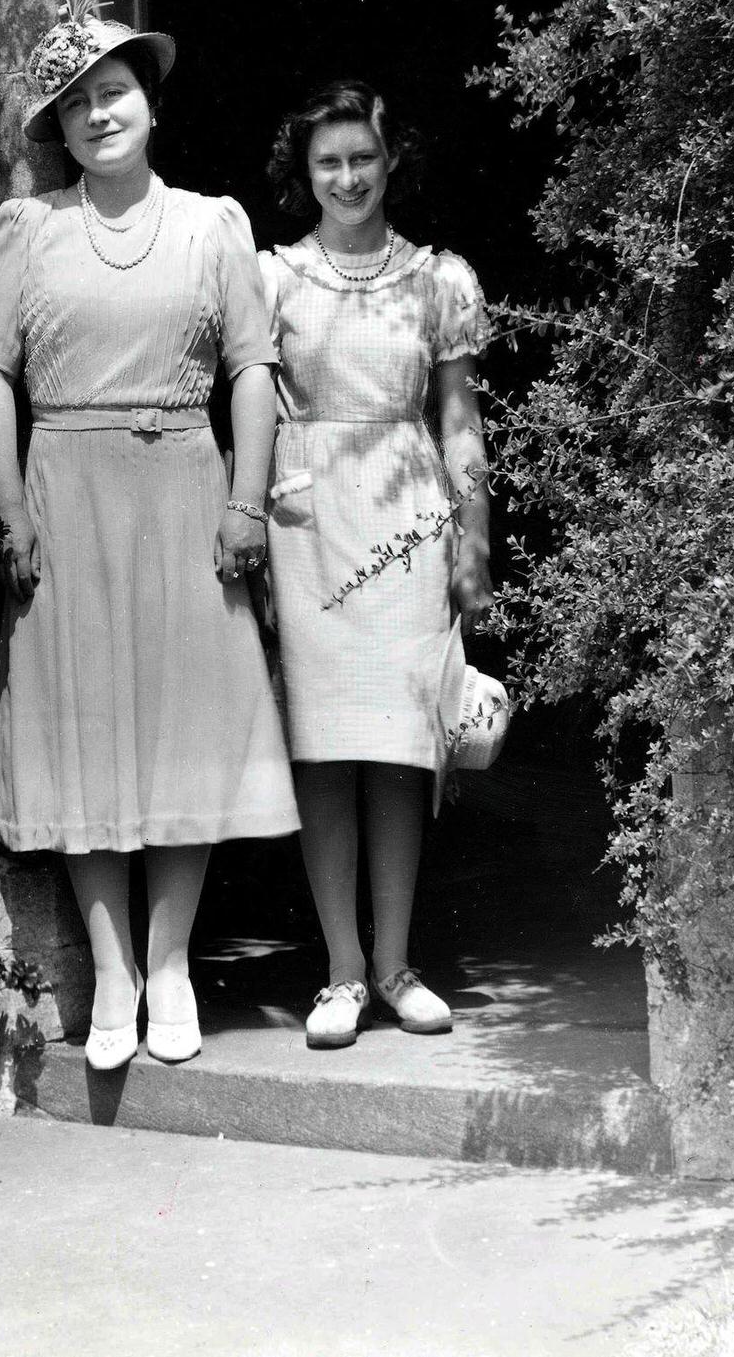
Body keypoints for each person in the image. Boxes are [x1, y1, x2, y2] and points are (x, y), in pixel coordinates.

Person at [0, 0, 299, 1070]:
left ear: (148, 103)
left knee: (182, 725)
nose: (97, 113)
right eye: (74, 104)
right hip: (66, 486)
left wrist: (246, 500)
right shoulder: (26, 228)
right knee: (82, 726)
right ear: (59, 131)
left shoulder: (213, 225)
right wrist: (8, 502)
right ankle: (109, 970)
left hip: (187, 490)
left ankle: (167, 963)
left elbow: (251, 369)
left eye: (112, 91)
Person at [259, 80, 492, 1049]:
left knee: (400, 754)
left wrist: (472, 534)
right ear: (302, 173)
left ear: (390, 163)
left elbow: (457, 416)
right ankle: (341, 973)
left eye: (362, 157)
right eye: (328, 161)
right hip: (306, 519)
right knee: (321, 753)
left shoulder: (440, 280)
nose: (346, 176)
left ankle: (395, 965)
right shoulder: (269, 277)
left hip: (407, 515)